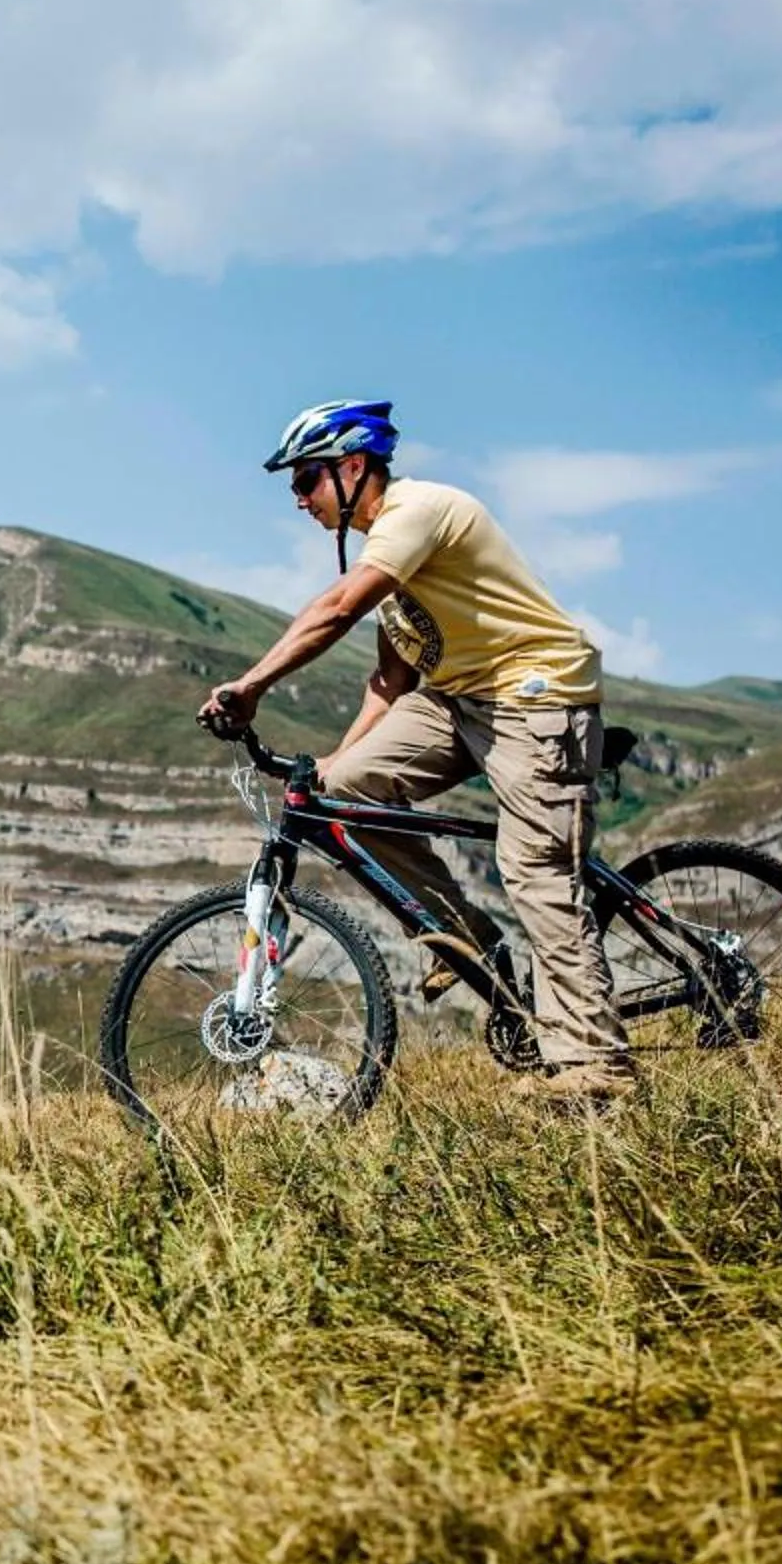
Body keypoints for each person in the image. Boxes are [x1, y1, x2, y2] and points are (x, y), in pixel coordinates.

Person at [196, 400, 636, 1104]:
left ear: (352, 467)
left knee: (534, 871)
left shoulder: (417, 512)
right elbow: (391, 681)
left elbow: (337, 609)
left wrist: (251, 686)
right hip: (461, 701)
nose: (298, 498)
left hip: (535, 696)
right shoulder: (387, 552)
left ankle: (595, 1063)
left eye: (306, 480)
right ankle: (466, 948)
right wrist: (326, 774)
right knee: (342, 797)